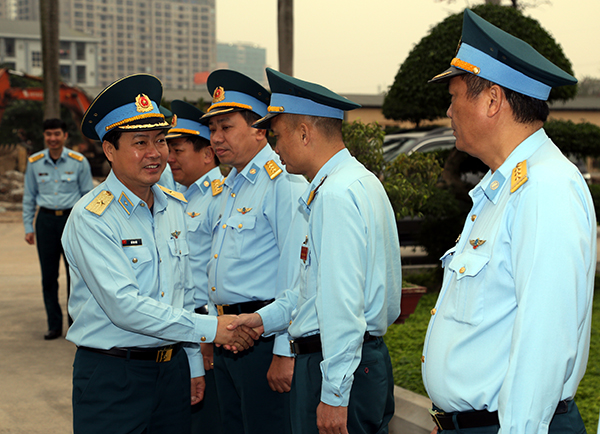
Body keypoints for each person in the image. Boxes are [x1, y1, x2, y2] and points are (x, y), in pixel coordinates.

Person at [420, 9, 596, 434]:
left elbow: (544, 343)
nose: (448, 110)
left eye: (455, 94)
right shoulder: (503, 188)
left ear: (493, 100)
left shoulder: (545, 187)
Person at [61, 73, 258, 434]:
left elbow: (182, 293)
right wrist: (211, 329)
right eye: (139, 142)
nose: (155, 153)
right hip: (113, 376)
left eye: (160, 140)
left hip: (171, 372)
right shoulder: (92, 218)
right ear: (109, 150)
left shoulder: (173, 207)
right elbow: (124, 306)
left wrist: (194, 365)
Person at [229, 67, 402, 434]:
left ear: (304, 133)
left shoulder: (336, 196)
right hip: (354, 360)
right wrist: (263, 320)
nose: (275, 149)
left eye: (277, 136)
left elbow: (341, 305)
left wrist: (335, 395)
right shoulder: (358, 182)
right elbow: (315, 292)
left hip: (336, 364)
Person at [200, 69, 308, 434]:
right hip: (229, 335)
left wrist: (283, 350)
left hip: (262, 338)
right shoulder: (229, 185)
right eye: (212, 129)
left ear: (259, 129)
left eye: (226, 127)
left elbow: (296, 274)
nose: (216, 138)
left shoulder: (282, 182)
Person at [166, 99, 223, 433]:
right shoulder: (182, 197)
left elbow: (218, 275)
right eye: (168, 149)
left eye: (178, 149)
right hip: (188, 326)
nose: (169, 158)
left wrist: (208, 334)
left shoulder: (218, 197)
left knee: (210, 420)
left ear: (206, 155)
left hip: (208, 330)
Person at [22, 118, 94, 340]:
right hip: (45, 222)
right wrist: (28, 226)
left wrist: (87, 228)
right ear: (44, 137)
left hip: (71, 221)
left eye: (56, 134)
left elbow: (87, 197)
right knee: (48, 276)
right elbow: (29, 196)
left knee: (76, 275)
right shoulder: (34, 163)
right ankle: (54, 325)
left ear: (65, 136)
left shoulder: (79, 161)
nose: (52, 138)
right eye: (48, 134)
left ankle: (75, 323)